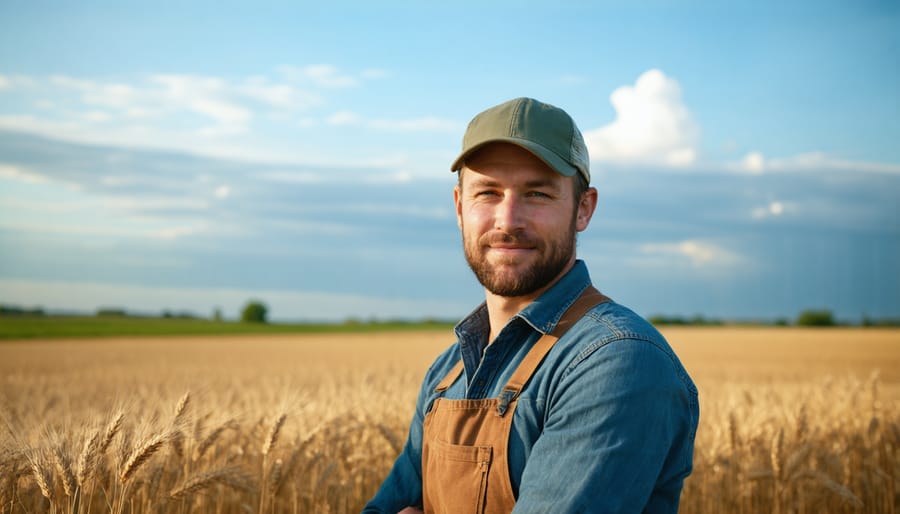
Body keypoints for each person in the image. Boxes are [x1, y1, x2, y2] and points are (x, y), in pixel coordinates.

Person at [363, 97, 699, 514]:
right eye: (487, 193)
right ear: (459, 207)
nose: (508, 220)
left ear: (583, 209)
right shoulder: (447, 373)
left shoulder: (615, 361)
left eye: (537, 193)